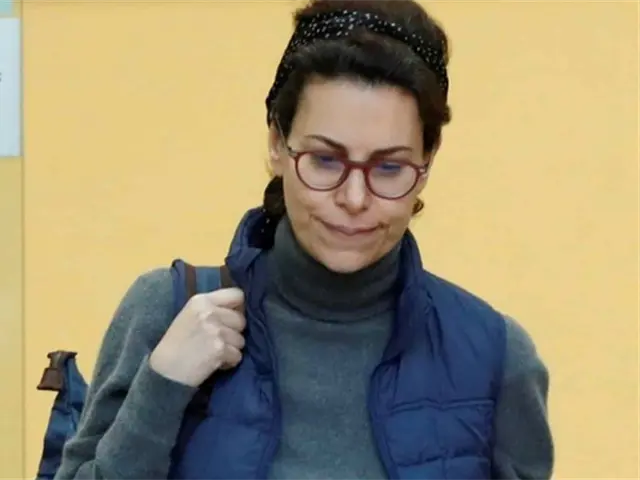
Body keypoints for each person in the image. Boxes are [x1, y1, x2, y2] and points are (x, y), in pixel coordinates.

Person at [54, 0, 554, 479]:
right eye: (325, 160)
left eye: (389, 167)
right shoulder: (166, 312)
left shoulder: (496, 356)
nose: (354, 198)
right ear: (277, 143)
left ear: (427, 164)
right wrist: (162, 386)